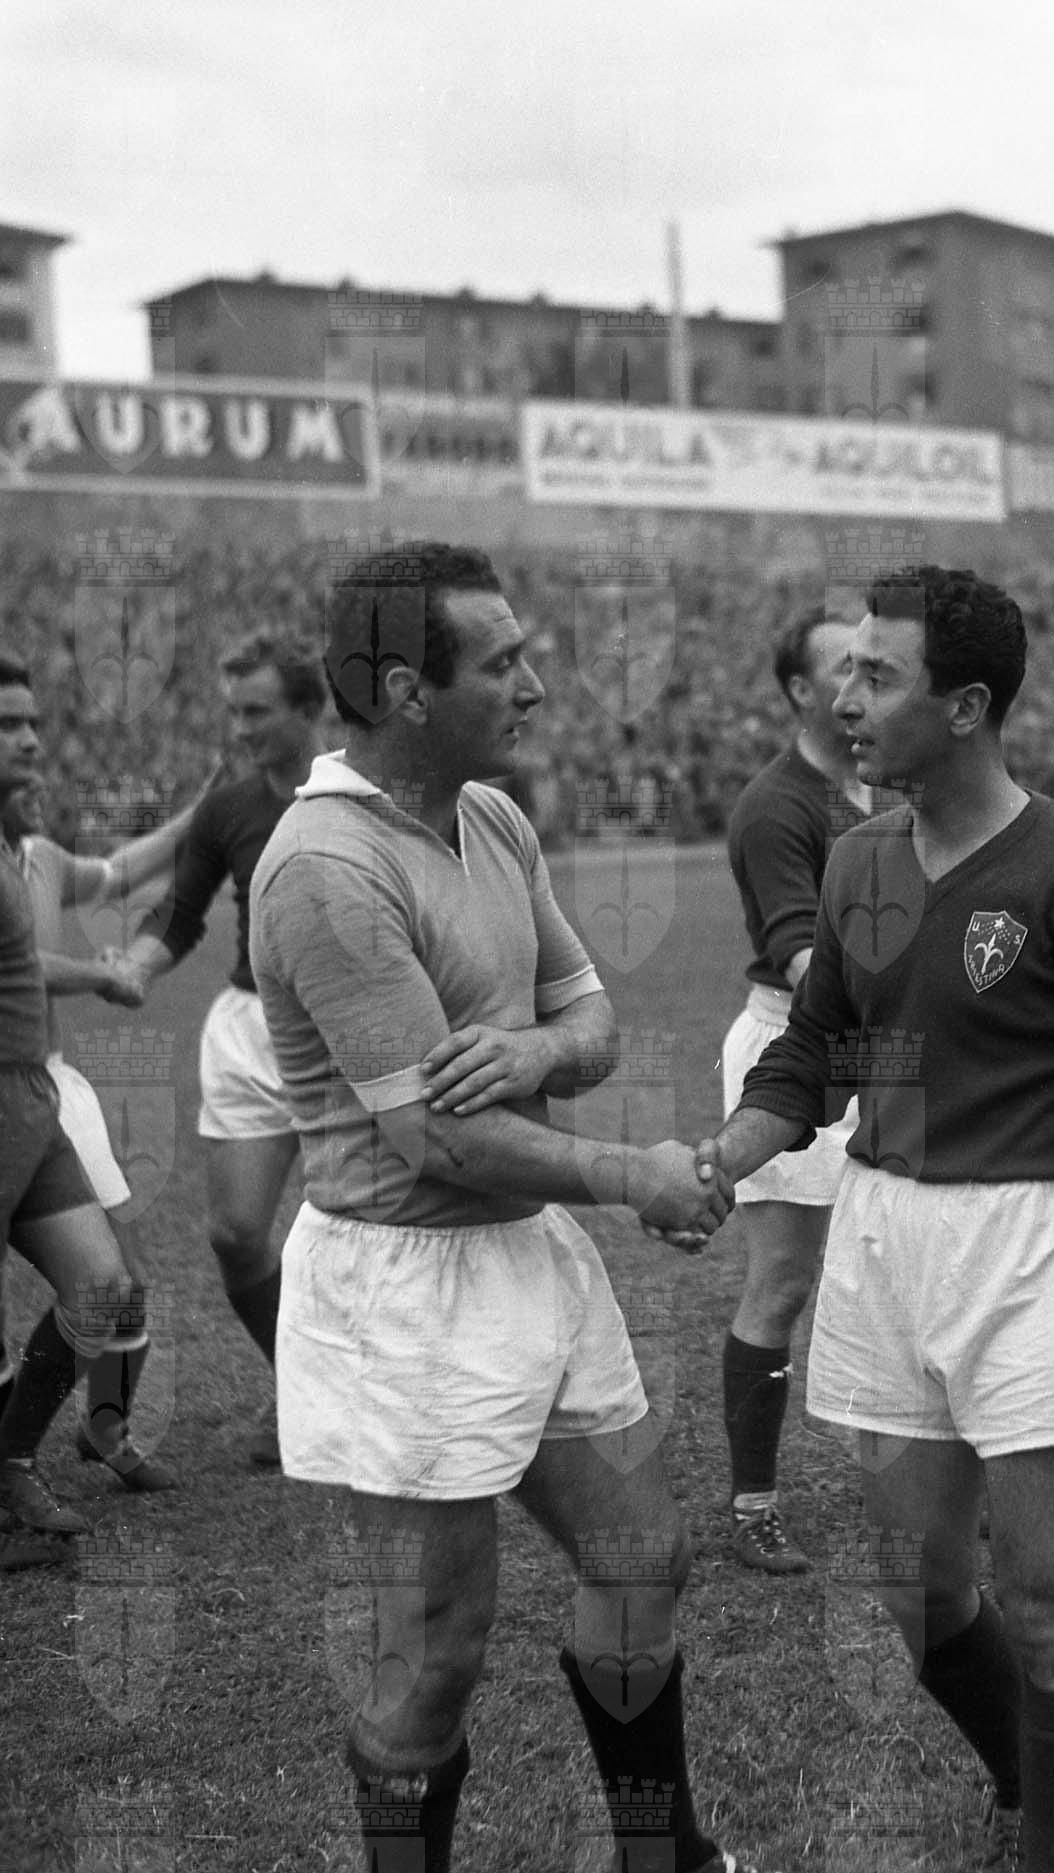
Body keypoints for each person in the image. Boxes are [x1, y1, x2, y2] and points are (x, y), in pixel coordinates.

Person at [248, 541, 772, 1873]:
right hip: (404, 1289)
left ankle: (664, 1856)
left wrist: (538, 1050)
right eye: (503, 661)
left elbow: (590, 1020)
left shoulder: (492, 817)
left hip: (522, 1251)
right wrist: (630, 1173)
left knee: (641, 1555)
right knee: (436, 1653)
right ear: (405, 692)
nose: (535, 683)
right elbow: (434, 1137)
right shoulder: (323, 865)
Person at [702, 565, 1054, 1873]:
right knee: (919, 1586)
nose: (845, 700)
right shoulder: (858, 859)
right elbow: (815, 1049)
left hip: (1024, 1246)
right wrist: (728, 1154)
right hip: (881, 1236)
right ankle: (1022, 1778)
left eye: (878, 676)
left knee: (1040, 1600)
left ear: (966, 706)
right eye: (845, 671)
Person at [122, 632, 328, 1468]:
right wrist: (137, 965)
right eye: (234, 711)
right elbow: (181, 911)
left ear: (310, 708)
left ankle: (389, 1395)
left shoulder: (363, 794)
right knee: (237, 1234)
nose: (240, 730)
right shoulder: (227, 809)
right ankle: (308, 1390)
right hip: (253, 1030)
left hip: (352, 1032)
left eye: (257, 711)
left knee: (371, 1228)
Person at [717, 605, 871, 1573]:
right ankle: (753, 1502)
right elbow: (806, 961)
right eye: (843, 668)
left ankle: (937, 1473)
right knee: (781, 1281)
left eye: (872, 667)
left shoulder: (883, 783)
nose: (860, 685)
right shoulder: (777, 805)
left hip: (885, 1050)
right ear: (799, 691)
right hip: (796, 1044)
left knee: (900, 1263)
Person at [4, 766, 209, 1494]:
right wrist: (99, 973)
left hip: (52, 1084)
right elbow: (17, 965)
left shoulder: (41, 858)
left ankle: (103, 1428)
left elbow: (119, 872)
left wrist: (198, 811)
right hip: (9, 1090)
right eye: (11, 728)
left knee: (125, 1283)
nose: (34, 758)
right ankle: (14, 1460)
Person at [0, 655, 148, 1556]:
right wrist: (101, 973)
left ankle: (12, 1458)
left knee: (102, 1285)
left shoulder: (16, 852)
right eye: (6, 725)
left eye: (30, 722)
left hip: (30, 1091)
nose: (28, 740)